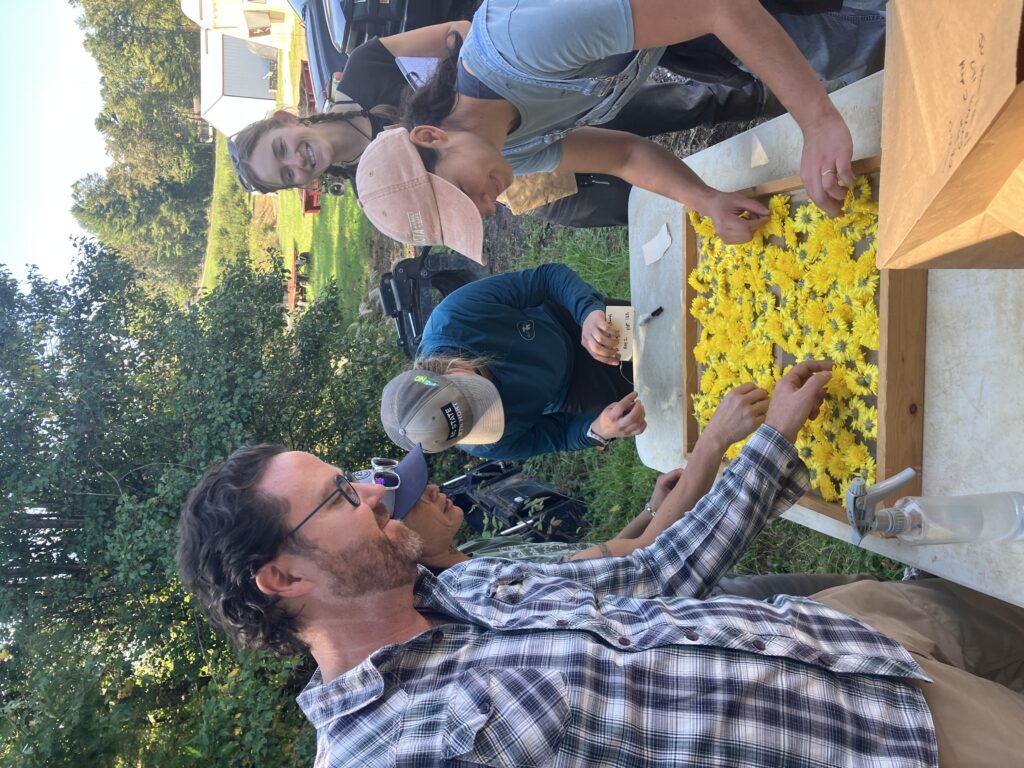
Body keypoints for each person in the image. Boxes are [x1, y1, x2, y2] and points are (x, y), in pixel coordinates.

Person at [178, 359, 1024, 767]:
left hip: (851, 649)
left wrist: (761, 452)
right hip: (892, 751)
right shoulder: (389, 755)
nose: (372, 491)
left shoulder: (455, 583)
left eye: (351, 477)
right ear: (282, 578)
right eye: (338, 498)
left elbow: (650, 574)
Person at [354, 0, 887, 260]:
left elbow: (719, 7)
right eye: (476, 215)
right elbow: (623, 158)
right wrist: (705, 200)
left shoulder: (517, 45)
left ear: (430, 137)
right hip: (686, 19)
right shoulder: (506, 146)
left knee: (851, 41)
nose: (489, 206)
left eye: (464, 195)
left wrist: (816, 121)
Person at [225, 20, 787, 229]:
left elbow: (461, 33)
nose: (296, 162)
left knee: (666, 95)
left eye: (282, 149)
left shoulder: (373, 69)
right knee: (632, 101)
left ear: (286, 117)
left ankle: (763, 87)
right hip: (517, 129)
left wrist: (492, 110)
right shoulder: (378, 189)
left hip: (535, 83)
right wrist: (705, 199)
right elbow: (623, 157)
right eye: (286, 175)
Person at [379, 264, 647, 460]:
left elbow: (547, 279)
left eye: (475, 391)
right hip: (574, 391)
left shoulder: (457, 315)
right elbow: (558, 436)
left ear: (444, 368)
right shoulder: (486, 442)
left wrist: (587, 312)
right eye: (480, 416)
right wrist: (597, 429)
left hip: (569, 323)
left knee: (669, 329)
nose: (490, 405)